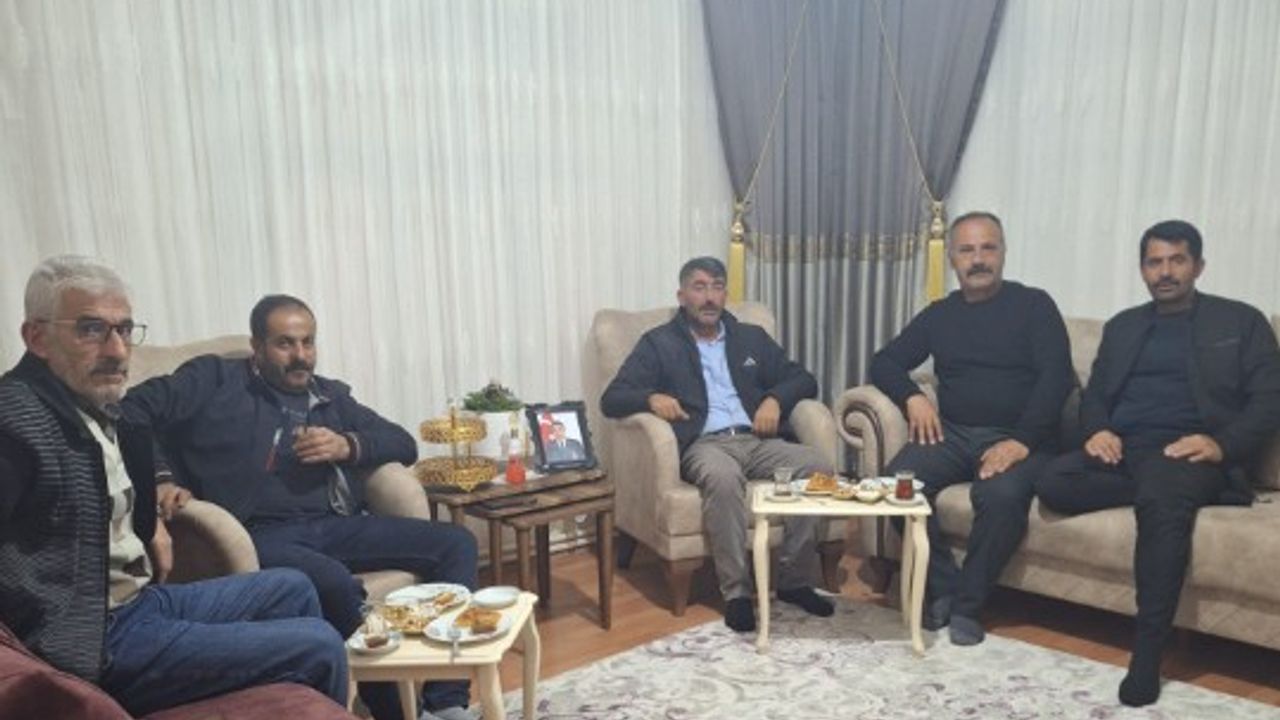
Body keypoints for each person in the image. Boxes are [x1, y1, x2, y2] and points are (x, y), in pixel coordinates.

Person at [0, 256, 348, 717]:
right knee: (319, 644)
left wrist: (150, 523)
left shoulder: (88, 399)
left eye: (125, 330)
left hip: (137, 601)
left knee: (293, 587)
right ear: (37, 337)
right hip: (96, 639)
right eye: (91, 329)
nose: (117, 350)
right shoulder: (16, 420)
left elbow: (127, 450)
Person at [121, 294, 479, 720]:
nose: (301, 355)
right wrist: (160, 477)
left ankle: (447, 703)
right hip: (255, 534)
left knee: (457, 543)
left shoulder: (327, 396)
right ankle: (397, 714)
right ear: (256, 347)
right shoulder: (213, 379)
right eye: (285, 344)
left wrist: (347, 445)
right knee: (334, 583)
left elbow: (402, 442)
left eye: (308, 342)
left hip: (333, 525)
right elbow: (131, 411)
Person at [1035, 220, 1280, 707]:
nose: (1165, 272)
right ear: (1143, 269)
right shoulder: (1124, 325)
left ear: (1198, 266)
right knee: (1054, 480)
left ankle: (1146, 656)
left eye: (1176, 260)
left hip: (1189, 452)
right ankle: (1164, 490)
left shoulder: (1241, 321)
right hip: (1128, 450)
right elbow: (1096, 394)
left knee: (1163, 496)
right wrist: (1098, 430)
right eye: (1154, 262)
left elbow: (1270, 399)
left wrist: (1221, 445)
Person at [869, 211, 1074, 646]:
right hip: (954, 434)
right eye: (967, 250)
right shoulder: (940, 314)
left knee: (999, 497)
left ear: (1003, 253)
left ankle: (966, 606)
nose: (978, 259)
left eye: (988, 248)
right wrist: (912, 397)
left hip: (1022, 437)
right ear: (953, 259)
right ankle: (943, 587)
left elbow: (1056, 379)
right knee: (894, 488)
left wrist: (1021, 442)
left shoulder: (1034, 305)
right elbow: (883, 362)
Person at [601, 256, 834, 632]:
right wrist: (650, 398)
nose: (709, 297)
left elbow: (804, 379)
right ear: (682, 296)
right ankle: (737, 593)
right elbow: (612, 399)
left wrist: (775, 399)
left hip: (757, 440)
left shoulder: (751, 338)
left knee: (817, 466)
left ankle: (794, 581)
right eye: (699, 287)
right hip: (705, 444)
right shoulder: (659, 343)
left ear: (725, 294)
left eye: (717, 286)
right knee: (723, 479)